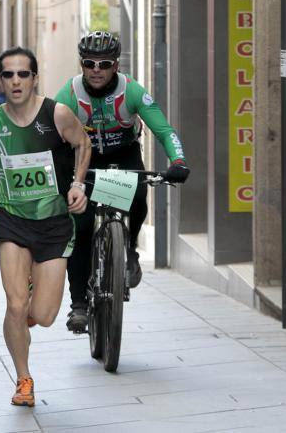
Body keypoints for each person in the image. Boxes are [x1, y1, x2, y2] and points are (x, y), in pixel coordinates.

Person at [0, 46, 91, 407]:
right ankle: (24, 379)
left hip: (54, 223)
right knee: (16, 305)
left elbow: (83, 143)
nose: (16, 81)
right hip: (12, 221)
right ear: (0, 80)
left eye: (23, 74)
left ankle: (33, 289)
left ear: (35, 78)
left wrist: (78, 185)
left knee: (44, 315)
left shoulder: (57, 114)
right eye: (9, 74)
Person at [53, 31, 190, 333]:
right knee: (81, 228)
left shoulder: (132, 91)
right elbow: (50, 136)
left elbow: (164, 131)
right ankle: (78, 305)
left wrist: (178, 161)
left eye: (104, 64)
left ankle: (129, 248)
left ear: (116, 65)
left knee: (138, 198)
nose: (96, 70)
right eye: (89, 63)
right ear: (81, 64)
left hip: (123, 156)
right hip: (86, 162)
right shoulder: (69, 94)